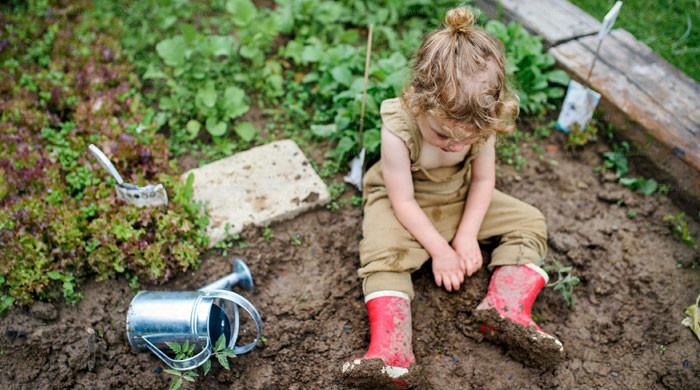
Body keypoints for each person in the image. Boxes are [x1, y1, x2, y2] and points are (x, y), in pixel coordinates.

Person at [342, 7, 564, 386]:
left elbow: (482, 182)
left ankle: (505, 310)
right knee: (381, 250)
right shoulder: (398, 126)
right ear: (419, 101)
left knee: (528, 220)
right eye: (443, 134)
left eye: (466, 138)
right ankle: (392, 353)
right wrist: (441, 251)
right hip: (405, 203)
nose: (454, 144)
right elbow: (403, 201)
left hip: (460, 194)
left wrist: (465, 235)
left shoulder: (479, 123)